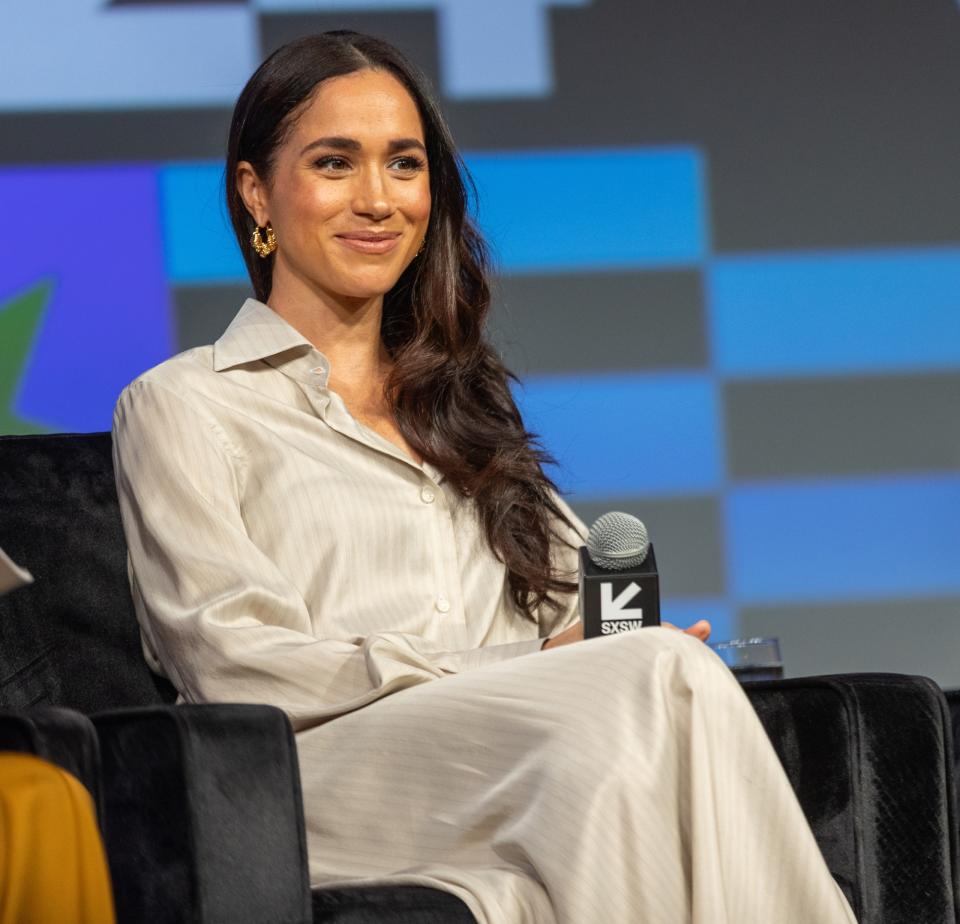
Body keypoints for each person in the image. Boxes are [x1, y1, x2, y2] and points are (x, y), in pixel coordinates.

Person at [111, 31, 857, 924]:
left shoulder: (461, 405)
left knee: (637, 730)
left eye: (405, 164)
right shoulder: (184, 404)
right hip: (310, 779)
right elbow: (233, 663)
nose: (379, 200)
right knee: (653, 683)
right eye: (336, 162)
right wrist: (510, 666)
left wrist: (600, 643)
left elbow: (580, 614)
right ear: (255, 192)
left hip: (527, 759)